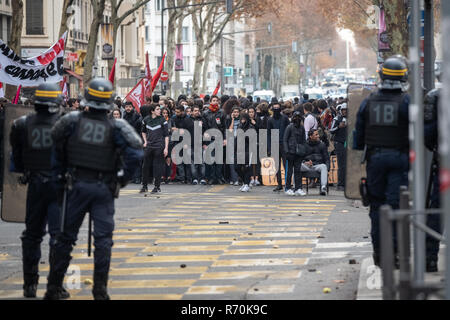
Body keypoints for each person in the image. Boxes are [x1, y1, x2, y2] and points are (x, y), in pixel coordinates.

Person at [44, 78, 143, 300]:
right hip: (103, 187)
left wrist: (59, 175)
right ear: (109, 103)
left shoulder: (70, 121)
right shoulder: (117, 126)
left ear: (87, 100)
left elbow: (54, 143)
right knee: (103, 240)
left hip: (76, 185)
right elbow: (136, 152)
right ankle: (100, 289)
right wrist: (121, 179)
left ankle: (53, 287)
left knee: (65, 238)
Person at [9, 83, 67, 299]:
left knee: (32, 235)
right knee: (58, 236)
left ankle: (29, 284)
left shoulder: (21, 125)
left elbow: (17, 158)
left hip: (35, 184)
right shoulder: (65, 125)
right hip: (58, 185)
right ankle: (55, 286)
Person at [353, 55, 410, 267]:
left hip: (375, 159)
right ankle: (395, 253)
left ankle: (379, 252)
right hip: (400, 158)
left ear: (382, 76)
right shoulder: (407, 101)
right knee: (396, 205)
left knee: (377, 206)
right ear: (403, 77)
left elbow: (358, 135)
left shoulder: (369, 102)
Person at [423, 88, 441, 272]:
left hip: (445, 164)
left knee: (437, 212)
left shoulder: (436, 96)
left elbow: (427, 133)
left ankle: (430, 258)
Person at [141, 104, 169, 193]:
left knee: (157, 167)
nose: (159, 111)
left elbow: (166, 135)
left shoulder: (162, 120)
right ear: (152, 111)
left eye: (159, 109)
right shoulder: (146, 120)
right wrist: (145, 141)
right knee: (145, 166)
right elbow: (143, 131)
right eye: (157, 109)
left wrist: (166, 148)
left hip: (159, 146)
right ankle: (144, 186)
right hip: (149, 146)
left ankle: (157, 186)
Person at [202, 95, 227, 185]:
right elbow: (203, 129)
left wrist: (225, 139)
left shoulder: (222, 113)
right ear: (210, 102)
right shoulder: (205, 113)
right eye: (213, 100)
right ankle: (212, 177)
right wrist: (204, 143)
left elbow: (225, 127)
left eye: (216, 100)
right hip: (209, 140)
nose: (215, 102)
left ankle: (219, 177)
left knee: (219, 160)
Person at [268, 101, 290, 192]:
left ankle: (288, 184)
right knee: (276, 166)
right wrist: (269, 147)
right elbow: (268, 134)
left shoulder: (285, 118)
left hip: (284, 144)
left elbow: (289, 130)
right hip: (275, 145)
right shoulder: (270, 120)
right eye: (275, 108)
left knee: (286, 165)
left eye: (278, 108)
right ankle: (279, 184)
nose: (276, 110)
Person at [283, 111, 307, 196]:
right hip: (290, 153)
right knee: (289, 171)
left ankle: (298, 188)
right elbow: (285, 140)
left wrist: (303, 151)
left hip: (298, 153)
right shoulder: (289, 127)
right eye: (295, 117)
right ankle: (288, 188)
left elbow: (304, 140)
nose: (297, 119)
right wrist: (287, 151)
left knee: (298, 171)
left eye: (298, 117)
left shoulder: (302, 128)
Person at [302, 129, 330, 196]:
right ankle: (296, 187)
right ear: (310, 136)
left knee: (324, 166)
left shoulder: (322, 145)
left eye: (318, 134)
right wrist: (305, 162)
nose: (318, 136)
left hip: (318, 165)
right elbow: (301, 157)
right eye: (316, 135)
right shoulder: (305, 145)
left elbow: (326, 158)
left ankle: (323, 187)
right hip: (307, 166)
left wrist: (327, 168)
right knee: (296, 165)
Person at [330, 103, 347, 191]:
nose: (345, 112)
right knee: (341, 164)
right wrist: (338, 127)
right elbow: (331, 130)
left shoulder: (351, 118)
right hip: (339, 143)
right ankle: (340, 184)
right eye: (343, 110)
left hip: (348, 143)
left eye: (346, 110)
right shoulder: (336, 119)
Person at [237, 111, 255, 192]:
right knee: (237, 167)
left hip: (248, 149)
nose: (242, 120)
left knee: (246, 167)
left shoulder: (251, 128)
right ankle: (244, 182)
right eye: (241, 119)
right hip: (239, 149)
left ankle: (247, 184)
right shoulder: (239, 126)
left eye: (244, 119)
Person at [188, 105, 206, 185]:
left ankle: (202, 178)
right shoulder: (187, 120)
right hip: (191, 144)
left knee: (202, 162)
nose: (197, 112)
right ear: (191, 112)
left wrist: (205, 143)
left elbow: (206, 132)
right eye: (195, 111)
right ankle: (194, 178)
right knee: (193, 162)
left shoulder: (202, 119)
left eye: (198, 110)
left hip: (200, 144)